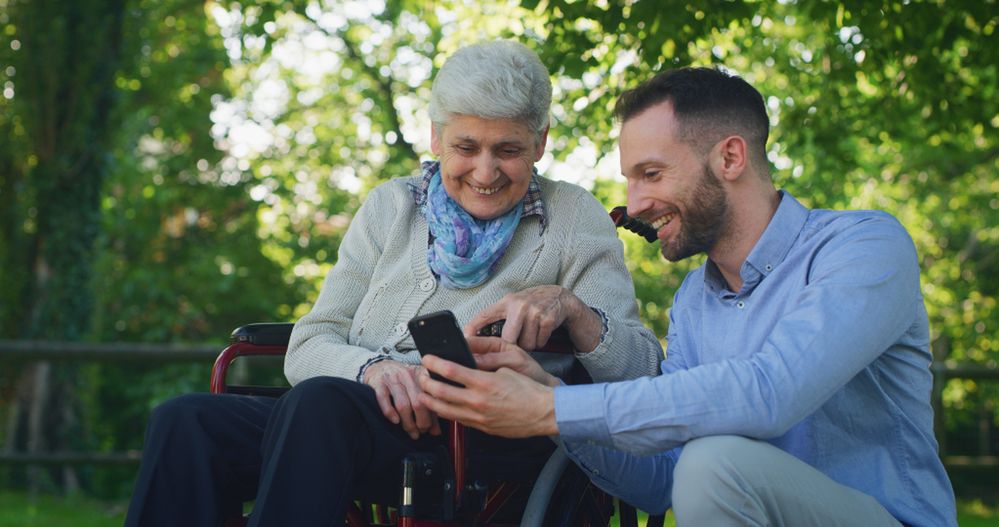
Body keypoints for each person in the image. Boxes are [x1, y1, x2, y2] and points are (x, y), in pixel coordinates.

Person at [123, 40, 662, 527]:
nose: (485, 170)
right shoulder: (391, 206)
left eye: (509, 150)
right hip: (349, 414)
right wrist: (371, 368)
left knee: (318, 405)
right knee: (186, 421)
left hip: (477, 434)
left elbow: (641, 369)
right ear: (435, 137)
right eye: (466, 147)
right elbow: (310, 343)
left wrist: (572, 308)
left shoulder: (573, 219)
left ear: (540, 142)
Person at [419, 67, 957, 526]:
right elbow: (662, 483)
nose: (635, 203)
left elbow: (771, 392)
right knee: (701, 465)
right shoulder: (695, 302)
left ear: (729, 158)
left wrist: (553, 410)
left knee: (713, 462)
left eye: (651, 174)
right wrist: (547, 392)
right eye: (630, 179)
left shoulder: (864, 245)